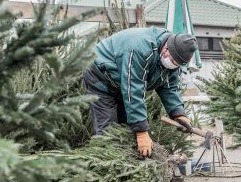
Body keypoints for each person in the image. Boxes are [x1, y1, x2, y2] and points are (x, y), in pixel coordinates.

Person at [83, 26, 198, 157]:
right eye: (172, 60)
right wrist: (142, 131)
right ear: (166, 47)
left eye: (176, 64)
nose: (172, 64)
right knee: (108, 130)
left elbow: (170, 86)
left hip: (121, 81)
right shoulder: (140, 48)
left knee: (125, 128)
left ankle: (124, 165)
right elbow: (133, 87)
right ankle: (102, 164)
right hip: (100, 76)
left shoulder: (175, 56)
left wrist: (178, 113)